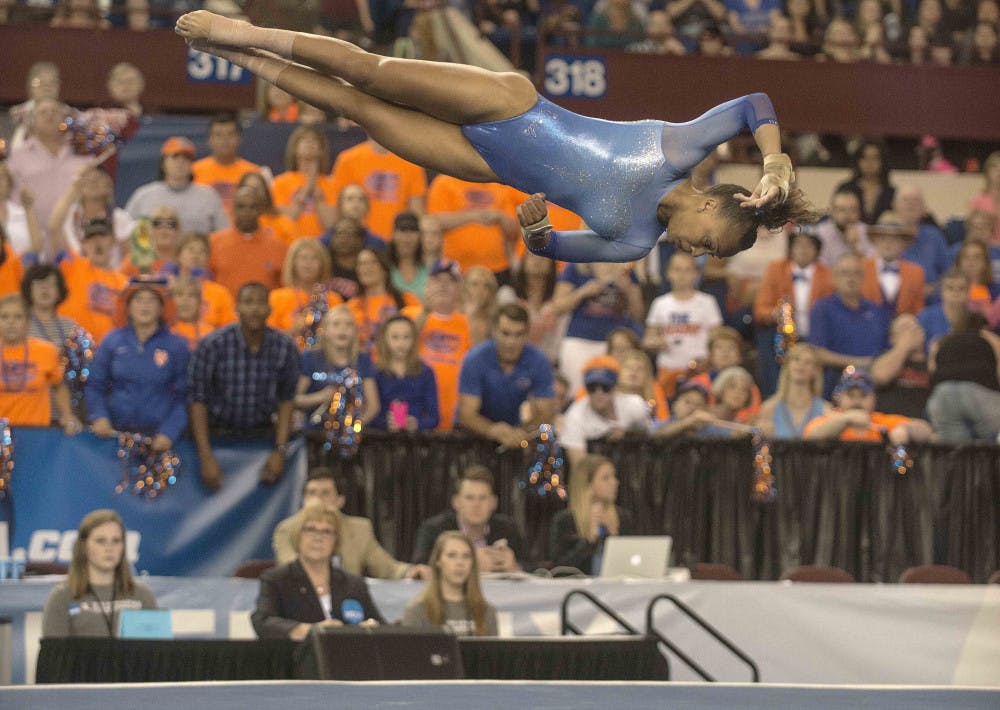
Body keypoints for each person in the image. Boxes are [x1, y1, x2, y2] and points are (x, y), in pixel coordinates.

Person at [174, 10, 815, 264]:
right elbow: (753, 103)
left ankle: (246, 63)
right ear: (710, 205)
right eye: (705, 243)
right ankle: (248, 33)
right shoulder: (675, 150)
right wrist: (775, 159)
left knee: (360, 113)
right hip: (513, 106)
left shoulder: (634, 243)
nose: (692, 251)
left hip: (486, 163)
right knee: (372, 73)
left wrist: (537, 229)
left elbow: (548, 250)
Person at [187, 282, 300, 489]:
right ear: (236, 308)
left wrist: (280, 451)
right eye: (248, 302)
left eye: (260, 303)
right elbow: (197, 400)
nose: (254, 309)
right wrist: (205, 456)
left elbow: (287, 400)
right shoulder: (212, 345)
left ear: (269, 309)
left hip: (262, 438)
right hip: (217, 436)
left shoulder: (285, 347)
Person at [252, 501, 384, 640]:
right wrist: (311, 631)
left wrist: (370, 628)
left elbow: (381, 625)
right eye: (310, 529)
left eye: (327, 531)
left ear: (336, 541)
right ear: (298, 535)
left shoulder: (354, 584)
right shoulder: (277, 579)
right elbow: (263, 621)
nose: (318, 538)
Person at [86, 279, 190, 451]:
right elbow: (95, 385)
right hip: (114, 437)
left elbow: (185, 397)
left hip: (160, 439)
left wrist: (170, 432)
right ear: (128, 306)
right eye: (138, 300)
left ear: (162, 308)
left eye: (151, 300)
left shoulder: (178, 346)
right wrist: (99, 416)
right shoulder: (111, 340)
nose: (145, 306)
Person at [273, 468, 429, 579]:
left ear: (340, 501)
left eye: (325, 493)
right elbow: (289, 567)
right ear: (303, 500)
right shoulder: (286, 529)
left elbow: (386, 567)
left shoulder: (360, 528)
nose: (317, 499)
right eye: (311, 493)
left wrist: (410, 571)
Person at [41, 510, 157, 638]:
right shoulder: (62, 597)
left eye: (116, 541)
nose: (109, 548)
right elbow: (53, 654)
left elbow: (156, 653)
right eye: (101, 541)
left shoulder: (142, 596)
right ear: (84, 546)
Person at [457, 303, 555, 448]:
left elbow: (546, 413)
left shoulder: (539, 362)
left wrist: (522, 433)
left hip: (516, 435)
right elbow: (466, 414)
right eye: (505, 333)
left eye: (518, 334)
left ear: (528, 334)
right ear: (494, 331)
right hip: (470, 437)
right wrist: (492, 430)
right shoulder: (475, 359)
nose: (511, 342)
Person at [553, 260, 645, 395]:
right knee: (575, 392)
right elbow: (557, 307)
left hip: (614, 346)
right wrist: (583, 292)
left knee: (613, 392)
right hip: (578, 342)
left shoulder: (625, 270)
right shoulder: (576, 268)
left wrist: (629, 291)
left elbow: (638, 315)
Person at [294, 304, 380, 448]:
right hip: (313, 437)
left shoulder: (363, 359)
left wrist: (353, 428)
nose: (342, 329)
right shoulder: (310, 357)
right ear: (325, 330)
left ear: (355, 331)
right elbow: (294, 398)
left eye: (348, 325)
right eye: (336, 324)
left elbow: (373, 406)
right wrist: (320, 397)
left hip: (352, 440)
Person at [7, 98, 93, 240]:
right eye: (43, 112)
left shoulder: (82, 154)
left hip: (74, 238)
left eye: (55, 112)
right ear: (32, 121)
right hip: (29, 237)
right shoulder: (16, 156)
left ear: (64, 120)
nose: (50, 115)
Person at [412, 465, 525, 571]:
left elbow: (533, 565)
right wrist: (471, 562)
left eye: (483, 498)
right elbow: (420, 567)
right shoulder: (434, 530)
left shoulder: (507, 528)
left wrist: (515, 565)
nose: (476, 505)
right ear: (456, 502)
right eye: (469, 498)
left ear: (493, 503)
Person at [808, 253, 891, 397]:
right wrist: (859, 363)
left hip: (874, 382)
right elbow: (817, 353)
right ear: (834, 277)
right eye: (844, 273)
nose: (850, 278)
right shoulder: (822, 308)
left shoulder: (877, 310)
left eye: (856, 273)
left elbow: (886, 349)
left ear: (863, 278)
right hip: (835, 381)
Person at [402, 259, 471, 431]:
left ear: (460, 289)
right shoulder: (408, 315)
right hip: (411, 416)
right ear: (426, 286)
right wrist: (425, 311)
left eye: (450, 281)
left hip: (454, 419)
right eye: (437, 280)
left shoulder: (468, 324)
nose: (443, 286)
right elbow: (399, 350)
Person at [0, 294, 80, 432]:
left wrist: (67, 415)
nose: (11, 322)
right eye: (4, 317)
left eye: (18, 317)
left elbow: (59, 385)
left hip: (37, 434)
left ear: (27, 321)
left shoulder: (46, 350)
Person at [644, 252, 723, 388]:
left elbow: (717, 338)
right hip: (668, 369)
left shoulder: (707, 302)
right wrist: (656, 342)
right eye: (677, 270)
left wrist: (708, 361)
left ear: (696, 274)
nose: (682, 275)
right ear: (668, 273)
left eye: (687, 270)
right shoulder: (660, 303)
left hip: (700, 370)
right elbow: (648, 339)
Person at [329, 137, 428, 242]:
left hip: (397, 244)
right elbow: (337, 207)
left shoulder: (411, 162)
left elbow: (417, 214)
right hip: (357, 240)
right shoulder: (347, 160)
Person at [125, 136, 230, 235]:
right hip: (154, 253)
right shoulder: (143, 196)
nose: (180, 162)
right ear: (163, 162)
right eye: (175, 156)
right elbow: (125, 233)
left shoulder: (209, 196)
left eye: (186, 158)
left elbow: (224, 235)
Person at [549, 454, 635, 575]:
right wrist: (589, 540)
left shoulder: (623, 517)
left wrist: (613, 536)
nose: (615, 482)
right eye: (606, 478)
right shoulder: (565, 520)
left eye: (614, 476)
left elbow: (633, 560)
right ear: (587, 484)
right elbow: (559, 568)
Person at [401, 531, 498, 635]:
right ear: (438, 561)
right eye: (452, 555)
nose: (460, 563)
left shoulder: (486, 611)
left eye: (466, 556)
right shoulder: (418, 610)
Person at [427, 173, 519, 281]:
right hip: (455, 269)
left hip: (497, 268)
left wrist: (500, 216)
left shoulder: (502, 184)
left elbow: (514, 232)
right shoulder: (444, 182)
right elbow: (433, 222)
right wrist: (472, 216)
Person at [560, 356, 651, 465]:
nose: (599, 393)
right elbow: (580, 467)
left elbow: (649, 438)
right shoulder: (575, 416)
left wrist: (628, 434)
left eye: (605, 387)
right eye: (592, 388)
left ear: (615, 387)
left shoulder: (635, 405)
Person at [803, 367, 932, 444]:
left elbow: (926, 430)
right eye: (851, 395)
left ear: (873, 398)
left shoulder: (881, 422)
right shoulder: (828, 421)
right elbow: (811, 437)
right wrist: (845, 419)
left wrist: (906, 430)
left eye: (863, 395)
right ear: (839, 398)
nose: (857, 401)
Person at [926, 312, 1000, 443]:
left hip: (942, 395)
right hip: (977, 393)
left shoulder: (943, 341)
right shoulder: (988, 338)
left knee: (955, 453)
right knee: (991, 445)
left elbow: (931, 370)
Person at [53, 218, 129, 343]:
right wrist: (75, 197)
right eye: (91, 238)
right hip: (70, 351)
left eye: (102, 236)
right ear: (83, 244)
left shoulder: (125, 283)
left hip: (106, 355)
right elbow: (55, 228)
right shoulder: (72, 265)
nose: (97, 242)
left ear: (113, 242)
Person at [208, 185, 289, 297]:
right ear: (233, 209)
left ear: (260, 210)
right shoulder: (213, 243)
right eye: (241, 206)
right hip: (225, 312)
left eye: (253, 207)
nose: (247, 212)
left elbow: (286, 288)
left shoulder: (278, 247)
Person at [366, 314, 439, 431]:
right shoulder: (374, 372)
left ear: (414, 340)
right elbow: (367, 414)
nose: (401, 343)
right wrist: (385, 423)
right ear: (384, 339)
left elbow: (434, 418)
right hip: (380, 441)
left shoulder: (426, 372)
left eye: (406, 337)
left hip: (417, 442)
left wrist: (417, 424)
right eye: (395, 337)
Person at [267, 237, 343, 346]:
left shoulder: (334, 299)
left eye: (314, 258)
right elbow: (269, 340)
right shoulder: (276, 298)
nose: (308, 263)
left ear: (322, 264)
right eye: (303, 258)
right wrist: (292, 330)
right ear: (293, 263)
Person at [270, 125, 339, 240]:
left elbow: (329, 224)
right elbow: (290, 217)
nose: (309, 143)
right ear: (294, 149)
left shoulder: (332, 183)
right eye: (304, 139)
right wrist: (309, 185)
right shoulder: (280, 182)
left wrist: (316, 190)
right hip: (290, 244)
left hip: (322, 246)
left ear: (321, 150)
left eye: (314, 140)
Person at [347, 247, 420, 353]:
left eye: (372, 262)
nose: (366, 268)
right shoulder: (352, 305)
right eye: (361, 264)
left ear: (384, 267)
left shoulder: (407, 299)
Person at [754, 342, 830, 439]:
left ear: (815, 371)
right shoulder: (769, 409)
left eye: (808, 362)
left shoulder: (826, 410)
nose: (801, 365)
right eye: (796, 359)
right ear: (787, 366)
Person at [191, 112, 262, 214]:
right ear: (209, 140)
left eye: (230, 134)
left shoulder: (254, 172)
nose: (225, 140)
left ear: (239, 139)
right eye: (218, 135)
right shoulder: (193, 171)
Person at [860, 216, 926, 317]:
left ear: (903, 244)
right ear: (875, 241)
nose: (888, 243)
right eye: (883, 239)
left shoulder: (916, 272)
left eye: (894, 239)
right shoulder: (861, 267)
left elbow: (918, 311)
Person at [169, 232, 236, 329]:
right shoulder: (168, 289)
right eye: (191, 250)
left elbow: (230, 329)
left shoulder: (220, 293)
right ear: (178, 255)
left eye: (202, 251)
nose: (196, 255)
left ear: (207, 258)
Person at [834, 139, 895, 226]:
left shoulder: (891, 192)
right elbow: (836, 217)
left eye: (875, 158)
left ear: (882, 162)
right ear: (858, 161)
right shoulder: (845, 188)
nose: (869, 162)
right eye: (864, 157)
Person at [0, 163, 44, 259]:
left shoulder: (23, 212)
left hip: (25, 269)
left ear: (9, 183)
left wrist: (28, 206)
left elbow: (37, 245)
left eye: (2, 177)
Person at [387, 212, 428, 297]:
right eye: (403, 231)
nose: (407, 237)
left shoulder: (429, 269)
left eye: (413, 231)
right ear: (393, 234)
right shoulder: (383, 268)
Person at [169, 276, 215, 349]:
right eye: (180, 295)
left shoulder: (210, 333)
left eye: (191, 296)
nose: (185, 300)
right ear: (173, 300)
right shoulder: (168, 332)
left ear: (199, 302)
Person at [462, 265, 499, 347]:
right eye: (475, 284)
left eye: (486, 286)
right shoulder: (454, 315)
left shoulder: (496, 321)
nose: (480, 290)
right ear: (465, 287)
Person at [968, 151, 1000, 243]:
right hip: (986, 250)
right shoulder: (977, 201)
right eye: (995, 167)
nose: (999, 171)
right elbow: (973, 234)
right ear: (987, 172)